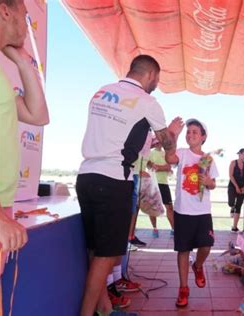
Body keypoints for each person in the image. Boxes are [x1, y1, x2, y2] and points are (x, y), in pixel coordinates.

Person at [76, 55, 182, 316]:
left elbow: (125, 135)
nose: (156, 83)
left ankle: (105, 307)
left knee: (95, 250)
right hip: (113, 180)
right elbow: (166, 142)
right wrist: (172, 145)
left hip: (86, 176)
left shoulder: (101, 93)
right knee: (108, 256)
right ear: (150, 75)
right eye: (156, 79)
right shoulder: (147, 102)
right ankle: (87, 313)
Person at [0, 0, 49, 252]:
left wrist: (23, 63)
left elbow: (38, 115)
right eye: (25, 16)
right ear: (5, 11)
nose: (29, 26)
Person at [165, 118, 218, 308]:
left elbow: (213, 183)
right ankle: (183, 288)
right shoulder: (182, 153)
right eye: (189, 131)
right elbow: (169, 158)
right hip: (183, 211)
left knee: (206, 246)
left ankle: (198, 266)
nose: (191, 134)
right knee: (183, 250)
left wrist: (208, 182)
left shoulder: (207, 159)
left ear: (203, 137)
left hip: (203, 212)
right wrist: (174, 137)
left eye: (195, 132)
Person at [147, 137, 175, 237]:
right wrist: (163, 168)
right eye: (157, 141)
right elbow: (151, 166)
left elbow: (168, 167)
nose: (159, 143)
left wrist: (159, 167)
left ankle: (173, 229)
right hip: (153, 183)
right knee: (152, 208)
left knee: (170, 207)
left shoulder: (166, 154)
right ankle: (154, 229)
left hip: (164, 183)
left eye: (160, 141)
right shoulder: (149, 153)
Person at [228, 148, 244, 233]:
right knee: (231, 202)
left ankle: (234, 227)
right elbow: (231, 176)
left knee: (238, 206)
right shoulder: (233, 162)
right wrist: (236, 186)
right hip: (233, 185)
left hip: (242, 186)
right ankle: (232, 207)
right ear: (239, 154)